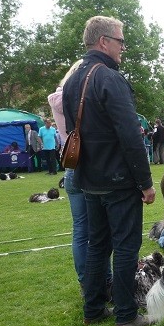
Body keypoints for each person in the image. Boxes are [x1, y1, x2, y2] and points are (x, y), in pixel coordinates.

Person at [62, 15, 155, 326]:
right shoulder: (110, 79)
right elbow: (130, 135)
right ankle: (127, 314)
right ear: (104, 41)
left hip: (89, 180)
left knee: (97, 247)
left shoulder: (73, 79)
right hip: (117, 180)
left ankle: (93, 308)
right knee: (126, 248)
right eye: (120, 41)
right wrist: (145, 182)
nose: (123, 48)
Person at [48, 59, 110, 296]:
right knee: (99, 231)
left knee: (80, 230)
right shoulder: (81, 96)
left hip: (70, 167)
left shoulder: (55, 100)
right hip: (90, 167)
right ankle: (104, 279)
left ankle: (86, 281)